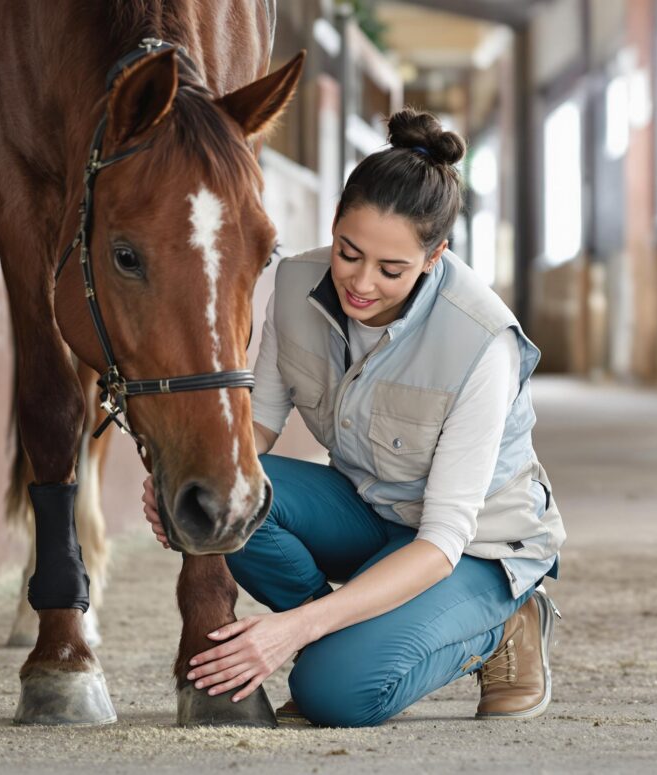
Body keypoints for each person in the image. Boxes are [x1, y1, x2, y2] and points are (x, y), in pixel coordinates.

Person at [142, 108, 566, 728]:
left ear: (433, 256)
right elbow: (255, 428)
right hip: (370, 508)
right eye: (349, 252)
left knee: (334, 696)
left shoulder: (481, 341)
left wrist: (293, 628)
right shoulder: (295, 284)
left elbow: (443, 540)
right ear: (334, 225)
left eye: (391, 270)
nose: (361, 283)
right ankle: (343, 638)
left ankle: (505, 624)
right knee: (229, 497)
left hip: (474, 547)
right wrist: (184, 477)